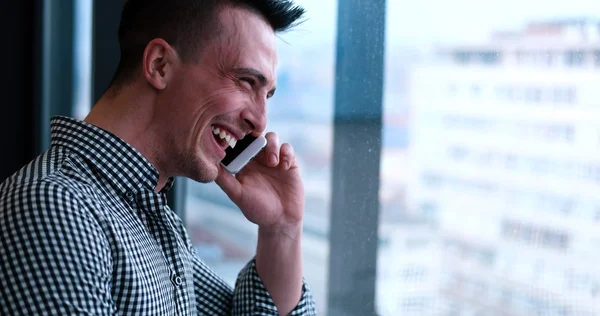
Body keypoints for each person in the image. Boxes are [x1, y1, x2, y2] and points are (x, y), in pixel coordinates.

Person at [0, 0, 317, 315]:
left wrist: (282, 230)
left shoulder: (148, 216)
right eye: (247, 81)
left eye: (267, 94)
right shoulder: (55, 205)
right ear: (159, 65)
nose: (260, 122)